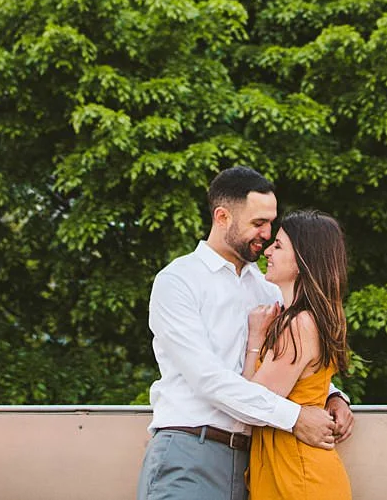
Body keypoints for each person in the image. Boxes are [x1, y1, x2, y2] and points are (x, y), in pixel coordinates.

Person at [138, 168, 355, 500]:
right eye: (258, 223)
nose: (267, 234)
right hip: (191, 452)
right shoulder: (178, 280)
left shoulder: (267, 287)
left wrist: (331, 395)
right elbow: (207, 379)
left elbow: (294, 358)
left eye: (270, 223)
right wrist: (295, 416)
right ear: (222, 217)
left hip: (253, 462)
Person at [242, 211, 353, 500]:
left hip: (296, 474)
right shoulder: (315, 319)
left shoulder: (298, 325)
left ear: (302, 260)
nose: (267, 251)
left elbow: (252, 404)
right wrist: (336, 397)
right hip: (299, 468)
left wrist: (255, 337)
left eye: (278, 246)